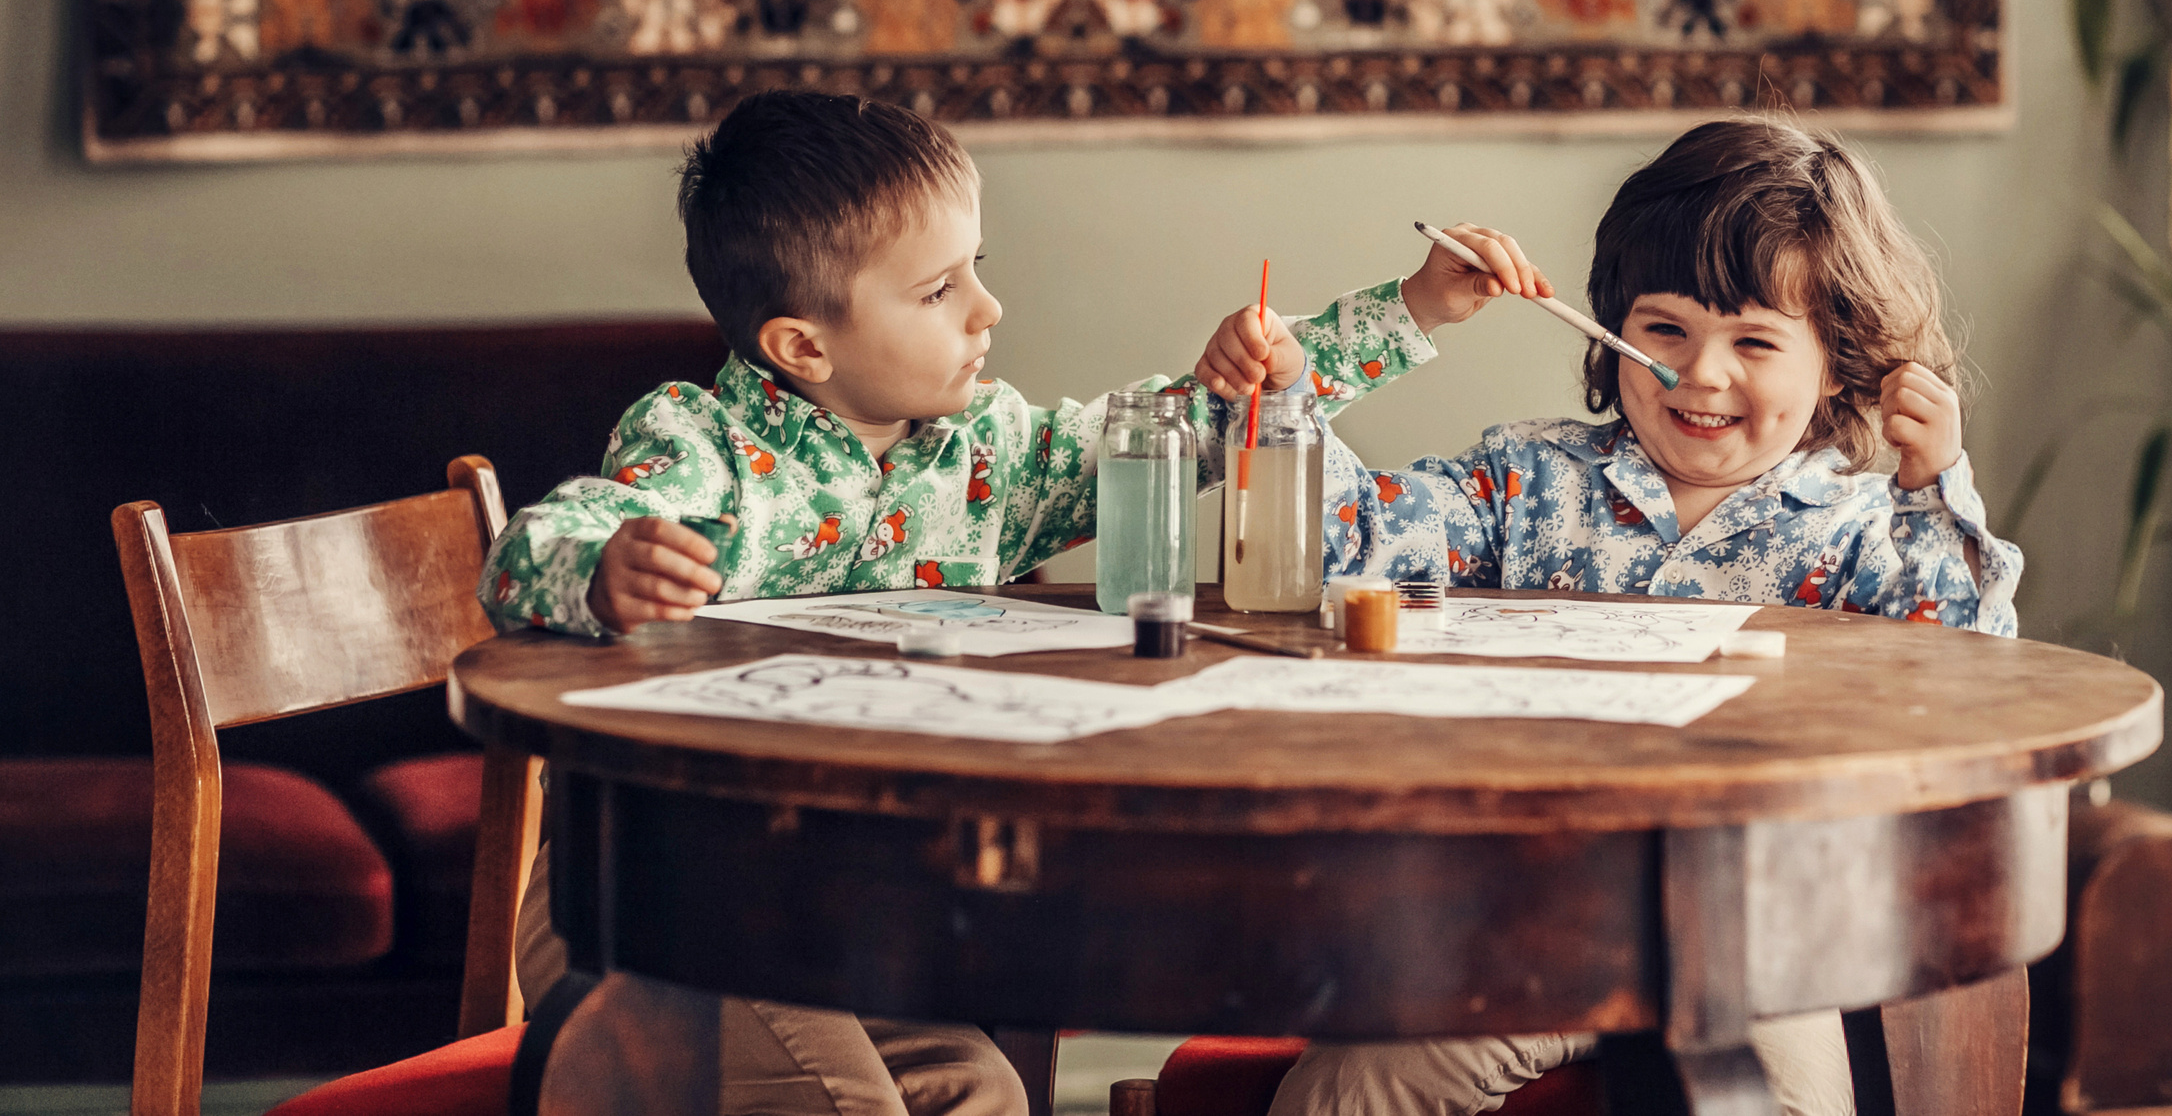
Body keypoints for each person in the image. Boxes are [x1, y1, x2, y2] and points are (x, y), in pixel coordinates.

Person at [484, 88, 1541, 1116]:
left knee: (980, 1090)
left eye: (975, 271)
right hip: (660, 894)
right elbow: (529, 549)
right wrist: (601, 567)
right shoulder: (696, 446)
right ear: (802, 346)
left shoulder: (989, 452)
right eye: (938, 291)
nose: (988, 309)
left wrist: (1399, 312)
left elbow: (1186, 426)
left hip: (841, 916)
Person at [1199, 116, 2022, 1116]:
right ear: (1609, 332)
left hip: (1765, 943)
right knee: (1350, 1089)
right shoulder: (1526, 481)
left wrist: (1932, 490)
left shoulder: (1862, 531)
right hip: (1522, 918)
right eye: (1665, 330)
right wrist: (1288, 394)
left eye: (1754, 342)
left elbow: (1962, 682)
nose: (1701, 374)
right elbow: (1348, 547)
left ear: (1839, 363)